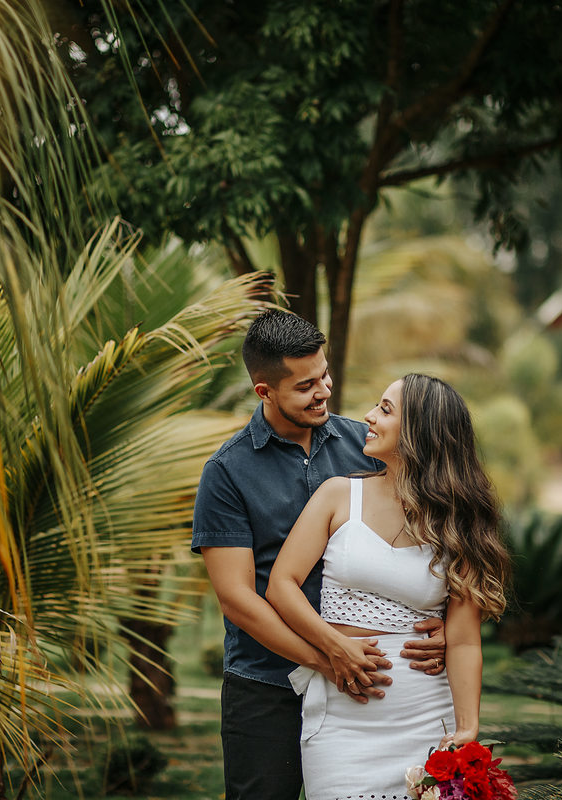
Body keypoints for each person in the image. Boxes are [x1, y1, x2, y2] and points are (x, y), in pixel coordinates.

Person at [191, 310, 447, 800]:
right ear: (265, 391)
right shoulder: (226, 472)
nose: (324, 390)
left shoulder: (367, 446)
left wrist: (446, 624)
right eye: (305, 385)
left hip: (369, 683)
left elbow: (431, 542)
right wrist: (328, 656)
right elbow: (238, 599)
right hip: (266, 685)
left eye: (324, 375)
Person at [267, 373, 511, 800]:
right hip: (342, 719)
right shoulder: (338, 495)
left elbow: (463, 640)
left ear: (419, 431)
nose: (369, 416)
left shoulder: (460, 522)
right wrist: (333, 646)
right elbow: (281, 586)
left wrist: (467, 727)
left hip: (425, 718)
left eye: (385, 409)